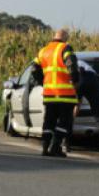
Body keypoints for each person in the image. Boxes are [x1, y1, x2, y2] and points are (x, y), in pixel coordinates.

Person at [31, 29, 80, 157]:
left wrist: (43, 82)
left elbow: (33, 69)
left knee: (49, 121)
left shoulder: (43, 50)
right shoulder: (65, 48)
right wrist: (75, 80)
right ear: (65, 37)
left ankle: (45, 147)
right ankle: (56, 147)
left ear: (54, 37)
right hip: (65, 94)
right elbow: (72, 66)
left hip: (49, 93)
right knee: (64, 122)